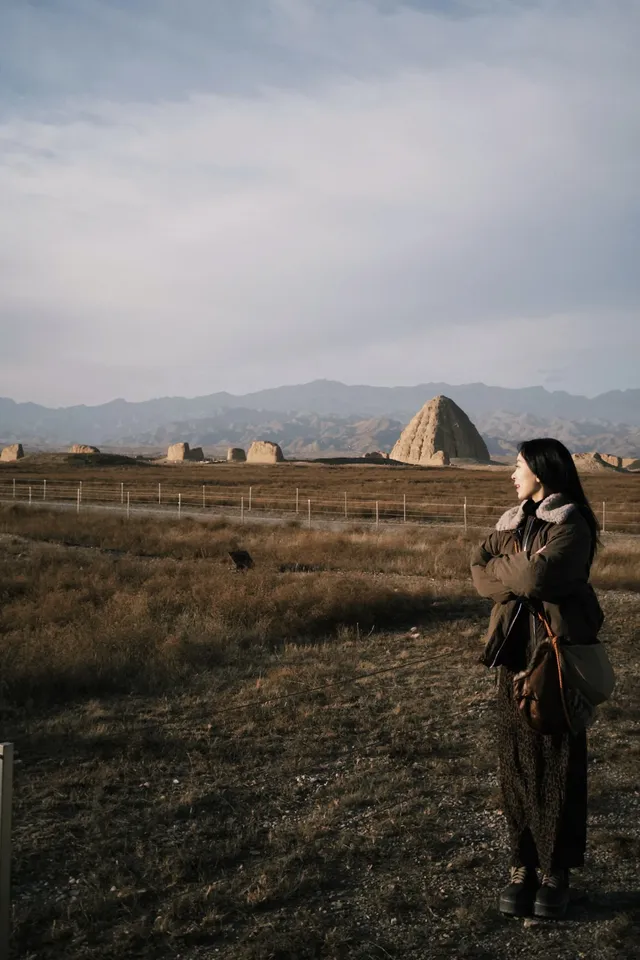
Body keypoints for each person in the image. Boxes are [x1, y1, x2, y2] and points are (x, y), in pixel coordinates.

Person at [470, 438, 603, 920]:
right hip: (513, 660)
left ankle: (556, 873)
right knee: (515, 766)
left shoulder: (573, 524)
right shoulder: (514, 522)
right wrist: (516, 571)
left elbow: (534, 582)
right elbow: (477, 569)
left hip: (556, 662)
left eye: (519, 466)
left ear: (542, 473)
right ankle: (522, 866)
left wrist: (512, 573)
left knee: (558, 766)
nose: (511, 474)